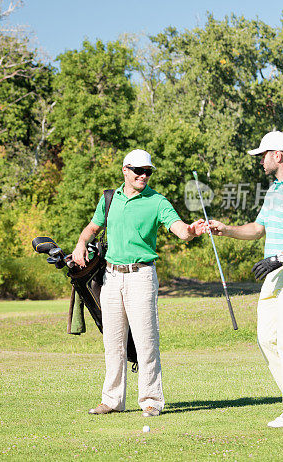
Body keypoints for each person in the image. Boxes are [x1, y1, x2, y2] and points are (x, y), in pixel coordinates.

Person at [72, 149, 204, 417]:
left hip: (141, 276)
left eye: (148, 171)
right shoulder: (110, 198)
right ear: (125, 170)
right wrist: (80, 243)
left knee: (146, 340)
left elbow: (178, 228)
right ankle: (112, 400)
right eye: (138, 171)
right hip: (111, 277)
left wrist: (190, 230)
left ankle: (152, 400)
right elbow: (92, 227)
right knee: (113, 341)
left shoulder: (157, 201)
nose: (143, 175)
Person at [206, 131, 283, 428]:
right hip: (275, 273)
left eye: (263, 155)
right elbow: (258, 229)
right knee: (266, 338)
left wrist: (280, 258)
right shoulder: (274, 190)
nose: (260, 160)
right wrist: (226, 229)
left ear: (278, 155)